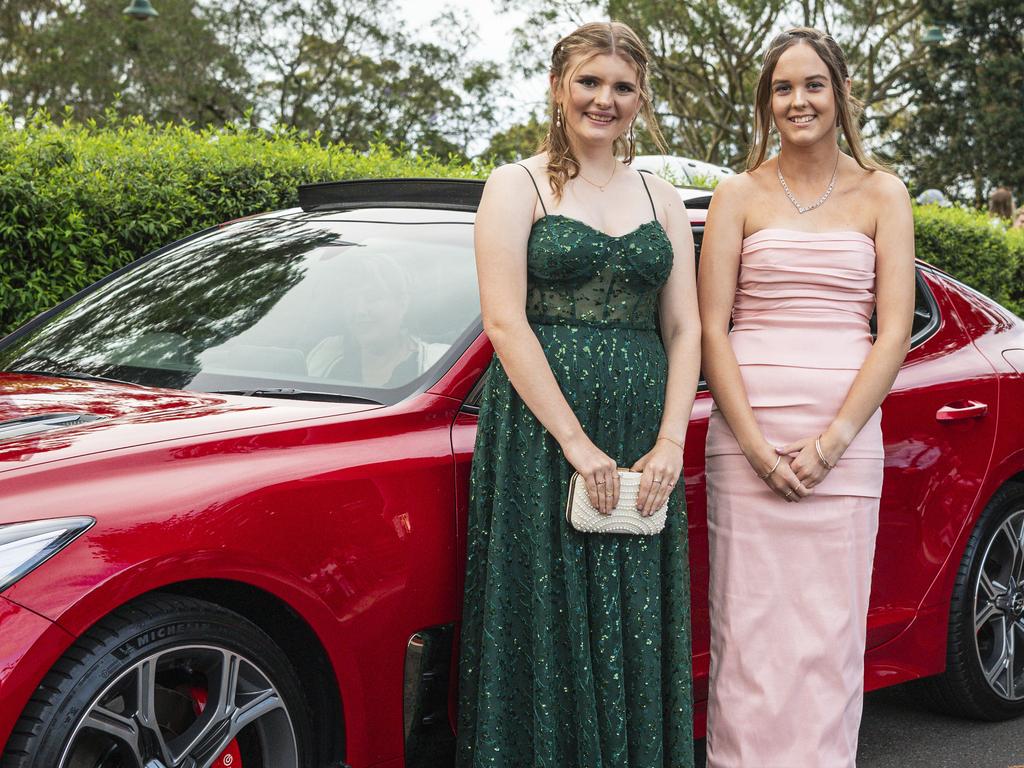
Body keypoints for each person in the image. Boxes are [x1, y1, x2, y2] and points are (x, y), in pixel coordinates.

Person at [456, 20, 701, 768]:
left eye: (623, 87)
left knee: (633, 618)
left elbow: (686, 327)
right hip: (541, 433)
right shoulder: (517, 184)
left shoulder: (660, 196)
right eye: (590, 82)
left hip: (641, 427)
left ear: (641, 98)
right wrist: (576, 443)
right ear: (560, 87)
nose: (605, 99)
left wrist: (669, 442)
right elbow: (504, 321)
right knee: (549, 617)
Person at [698, 27, 915, 767]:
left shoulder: (884, 193)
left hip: (845, 445)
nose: (799, 101)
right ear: (767, 103)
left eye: (813, 85)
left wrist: (831, 444)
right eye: (783, 88)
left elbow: (891, 336)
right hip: (745, 443)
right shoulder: (737, 194)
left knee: (828, 633)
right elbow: (709, 329)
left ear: (841, 93)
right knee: (749, 633)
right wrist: (757, 450)